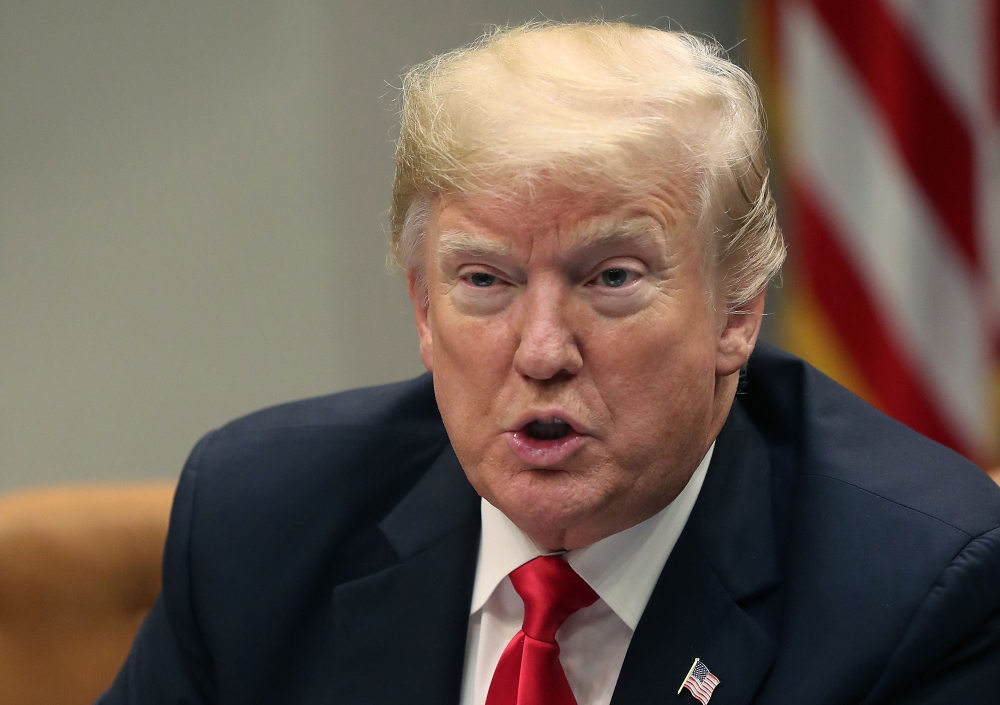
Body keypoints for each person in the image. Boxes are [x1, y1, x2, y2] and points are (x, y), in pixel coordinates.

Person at [99, 21, 1000, 705]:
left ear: (737, 310)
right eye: (484, 280)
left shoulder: (922, 589)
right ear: (423, 306)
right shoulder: (259, 518)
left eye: (611, 278)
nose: (540, 351)